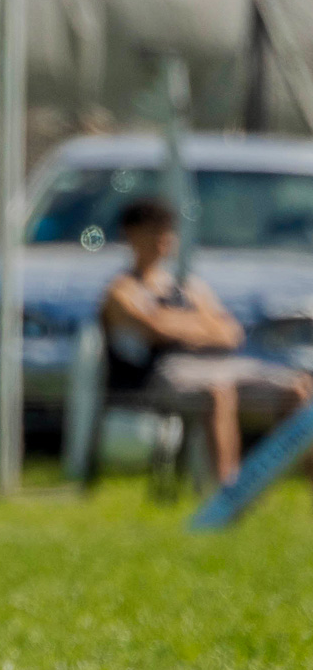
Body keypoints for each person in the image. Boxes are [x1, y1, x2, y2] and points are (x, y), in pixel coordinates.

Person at [100, 197, 312, 485]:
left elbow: (229, 333)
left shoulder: (186, 286)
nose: (162, 239)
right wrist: (195, 323)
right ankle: (225, 489)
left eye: (167, 231)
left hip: (218, 363)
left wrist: (172, 321)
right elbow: (155, 330)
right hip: (163, 374)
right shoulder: (122, 289)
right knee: (217, 392)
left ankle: (290, 481)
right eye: (153, 230)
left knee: (299, 387)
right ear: (132, 235)